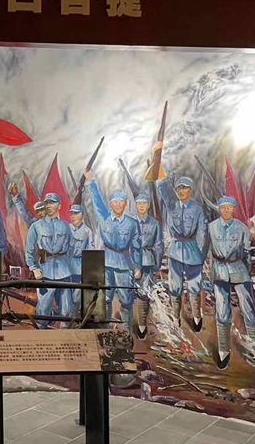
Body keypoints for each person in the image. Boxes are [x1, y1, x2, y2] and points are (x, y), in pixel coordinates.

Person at [153, 141, 208, 331]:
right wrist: (157, 155)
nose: (182, 191)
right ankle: (175, 318)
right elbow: (162, 185)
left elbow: (202, 232)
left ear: (190, 190)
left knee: (194, 286)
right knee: (175, 286)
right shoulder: (171, 204)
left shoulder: (197, 209)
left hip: (193, 251)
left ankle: (196, 316)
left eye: (185, 188)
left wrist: (200, 253)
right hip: (176, 250)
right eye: (179, 188)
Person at [208, 196, 255, 369]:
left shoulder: (242, 228)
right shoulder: (211, 227)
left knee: (248, 307)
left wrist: (247, 271)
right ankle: (224, 350)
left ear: (233, 209)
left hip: (238, 268)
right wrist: (211, 271)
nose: (226, 210)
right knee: (222, 308)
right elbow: (208, 251)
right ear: (219, 209)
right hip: (219, 270)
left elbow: (246, 252)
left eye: (229, 207)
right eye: (223, 207)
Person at [85, 171, 141, 336]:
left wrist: (137, 266)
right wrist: (90, 182)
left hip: (124, 264)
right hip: (107, 263)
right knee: (106, 299)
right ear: (110, 205)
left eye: (121, 202)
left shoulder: (132, 223)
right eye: (114, 202)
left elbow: (137, 246)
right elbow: (97, 201)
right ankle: (107, 332)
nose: (118, 205)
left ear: (126, 204)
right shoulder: (104, 218)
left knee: (126, 300)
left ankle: (126, 333)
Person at [25, 193, 74, 327]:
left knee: (66, 311)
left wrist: (66, 264)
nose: (49, 206)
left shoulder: (66, 226)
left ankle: (65, 337)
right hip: (45, 272)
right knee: (43, 310)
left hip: (63, 272)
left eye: (52, 203)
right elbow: (29, 250)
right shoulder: (36, 226)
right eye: (47, 203)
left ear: (59, 206)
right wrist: (34, 268)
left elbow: (71, 247)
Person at [133, 193, 163, 339]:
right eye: (139, 203)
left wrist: (156, 265)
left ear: (148, 205)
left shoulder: (154, 223)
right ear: (135, 205)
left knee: (144, 293)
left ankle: (142, 325)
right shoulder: (130, 222)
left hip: (148, 260)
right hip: (132, 260)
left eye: (144, 203)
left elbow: (159, 245)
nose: (141, 206)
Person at [69, 203, 94, 314]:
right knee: (66, 295)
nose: (73, 216)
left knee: (77, 297)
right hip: (67, 266)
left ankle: (75, 317)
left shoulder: (87, 231)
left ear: (82, 215)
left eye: (76, 213)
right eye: (71, 213)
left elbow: (90, 251)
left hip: (80, 266)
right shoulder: (66, 229)